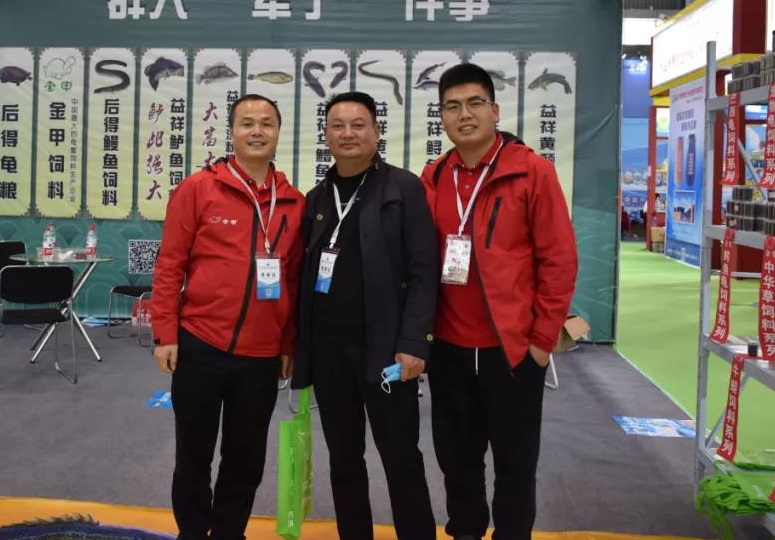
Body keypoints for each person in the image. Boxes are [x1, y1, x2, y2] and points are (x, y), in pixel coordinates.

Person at [420, 64, 577, 540]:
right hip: (448, 348)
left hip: (512, 351)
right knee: (456, 460)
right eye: (452, 106)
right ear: (442, 117)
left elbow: (559, 260)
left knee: (515, 464)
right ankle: (465, 531)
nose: (464, 115)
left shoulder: (531, 172)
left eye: (474, 103)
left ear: (494, 110)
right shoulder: (434, 175)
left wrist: (541, 342)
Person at [151, 93, 305, 540]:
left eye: (267, 123)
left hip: (261, 354)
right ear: (232, 132)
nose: (257, 131)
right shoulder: (199, 189)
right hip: (200, 343)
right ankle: (192, 532)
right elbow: (170, 263)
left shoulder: (293, 202)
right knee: (193, 454)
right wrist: (165, 332)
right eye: (247, 123)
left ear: (279, 132)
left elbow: (293, 282)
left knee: (246, 458)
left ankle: (229, 533)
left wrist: (288, 344)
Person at [291, 91, 437, 540]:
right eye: (338, 126)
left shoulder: (403, 189)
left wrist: (413, 343)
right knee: (344, 458)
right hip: (330, 354)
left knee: (401, 457)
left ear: (377, 132)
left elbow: (424, 271)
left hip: (387, 354)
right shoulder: (317, 198)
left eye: (358, 125)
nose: (348, 134)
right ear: (326, 135)